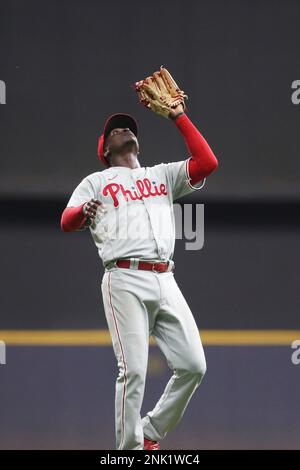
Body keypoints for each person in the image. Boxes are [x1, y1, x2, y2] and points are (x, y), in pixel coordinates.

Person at [61, 103, 218, 450]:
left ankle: (150, 431)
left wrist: (179, 117)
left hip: (166, 278)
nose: (124, 131)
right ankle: (128, 453)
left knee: (194, 364)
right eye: (115, 130)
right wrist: (81, 212)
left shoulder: (160, 175)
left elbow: (207, 163)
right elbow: (66, 220)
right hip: (124, 277)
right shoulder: (96, 181)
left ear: (138, 144)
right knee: (133, 371)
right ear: (104, 149)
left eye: (128, 128)